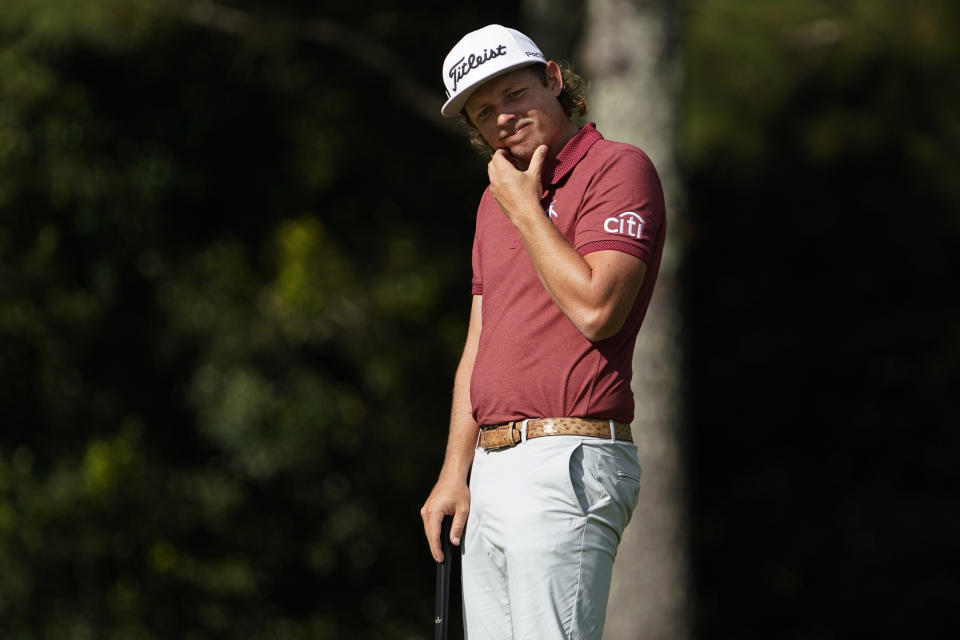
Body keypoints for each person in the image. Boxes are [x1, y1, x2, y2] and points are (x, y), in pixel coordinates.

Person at [420, 24, 666, 640]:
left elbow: (596, 309)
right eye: (482, 112)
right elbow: (481, 341)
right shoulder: (493, 202)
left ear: (554, 80)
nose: (501, 118)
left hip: (569, 457)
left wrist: (525, 208)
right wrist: (456, 471)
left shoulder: (618, 168)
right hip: (492, 467)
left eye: (512, 94)